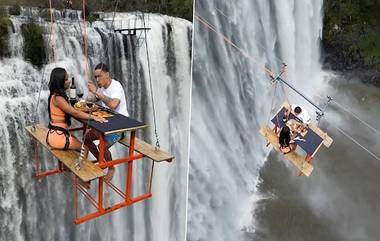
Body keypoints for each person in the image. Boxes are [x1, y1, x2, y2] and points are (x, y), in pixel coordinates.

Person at [85, 63, 129, 181]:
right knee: (86, 138)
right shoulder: (101, 88)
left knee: (102, 146)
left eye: (99, 76)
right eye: (96, 77)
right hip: (107, 123)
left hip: (122, 125)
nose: (97, 79)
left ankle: (111, 168)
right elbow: (95, 99)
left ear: (107, 75)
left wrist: (97, 92)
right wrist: (91, 96)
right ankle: (102, 161)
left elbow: (113, 105)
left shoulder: (116, 86)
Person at [46, 67, 105, 151]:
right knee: (85, 149)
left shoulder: (55, 95)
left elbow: (72, 108)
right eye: (66, 79)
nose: (69, 81)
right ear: (60, 82)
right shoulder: (58, 98)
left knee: (76, 142)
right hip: (58, 137)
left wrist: (89, 110)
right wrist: (93, 117)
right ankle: (81, 165)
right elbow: (75, 113)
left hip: (55, 134)